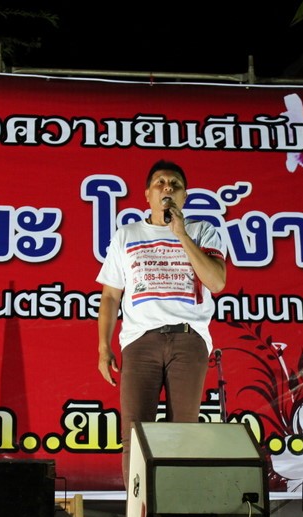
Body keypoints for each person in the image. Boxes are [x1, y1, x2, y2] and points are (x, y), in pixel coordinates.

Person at [96, 159, 227, 486]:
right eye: (160, 183)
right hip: (140, 341)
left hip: (189, 339)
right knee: (135, 432)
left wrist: (181, 234)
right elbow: (110, 296)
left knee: (183, 432)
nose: (167, 188)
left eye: (175, 185)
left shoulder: (203, 231)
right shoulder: (127, 235)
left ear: (184, 196)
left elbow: (216, 282)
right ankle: (137, 510)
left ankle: (176, 507)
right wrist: (103, 348)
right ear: (147, 194)